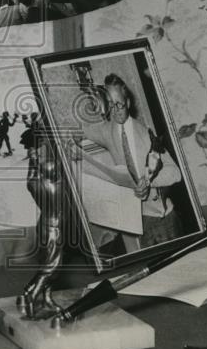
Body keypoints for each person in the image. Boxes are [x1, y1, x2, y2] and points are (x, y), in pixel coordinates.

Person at [75, 74, 184, 248]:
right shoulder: (107, 130)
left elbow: (175, 172)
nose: (116, 110)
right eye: (111, 105)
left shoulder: (146, 135)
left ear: (128, 103)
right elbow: (83, 131)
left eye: (119, 104)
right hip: (134, 219)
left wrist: (148, 181)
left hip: (161, 218)